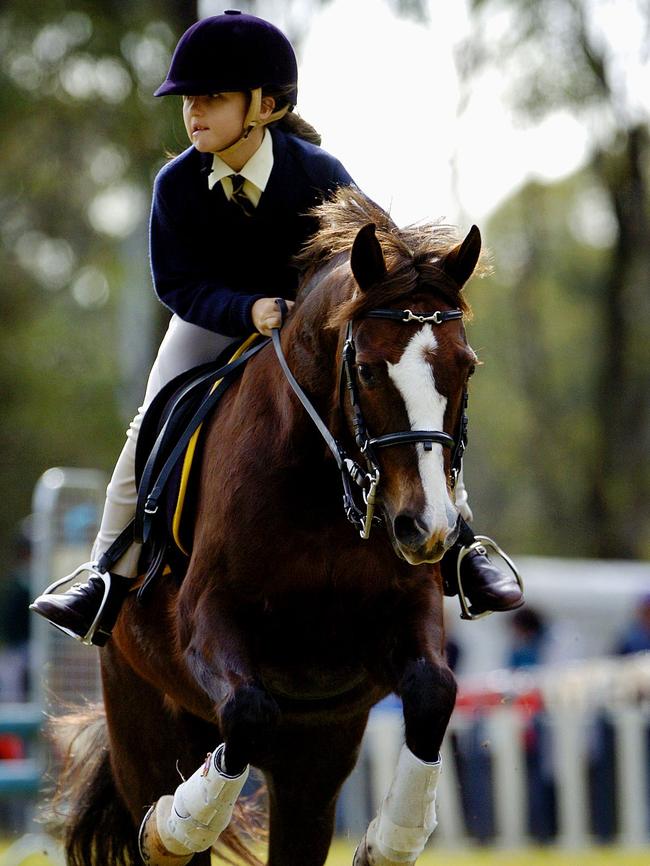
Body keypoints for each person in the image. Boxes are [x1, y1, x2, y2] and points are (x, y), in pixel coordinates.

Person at [30, 11, 522, 646]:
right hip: (212, 322)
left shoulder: (318, 172)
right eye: (189, 100)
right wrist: (247, 311)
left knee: (409, 396)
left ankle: (459, 546)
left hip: (310, 331)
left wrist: (314, 313)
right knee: (150, 419)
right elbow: (175, 284)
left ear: (263, 105)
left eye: (212, 98)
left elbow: (378, 262)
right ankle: (108, 571)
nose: (194, 113)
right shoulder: (175, 184)